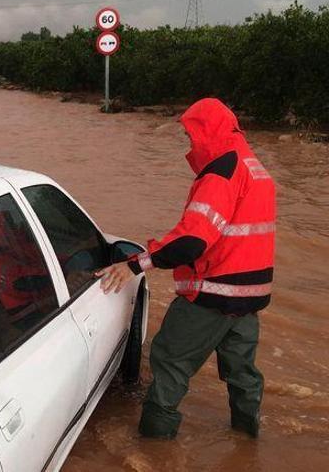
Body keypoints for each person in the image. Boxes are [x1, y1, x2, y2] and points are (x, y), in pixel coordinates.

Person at [96, 98, 275, 439]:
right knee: (242, 374)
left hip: (213, 293)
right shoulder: (255, 167)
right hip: (250, 298)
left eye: (192, 135)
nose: (190, 144)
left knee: (169, 362)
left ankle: (153, 447)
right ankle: (247, 440)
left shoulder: (222, 171)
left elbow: (191, 242)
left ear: (208, 132)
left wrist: (136, 264)